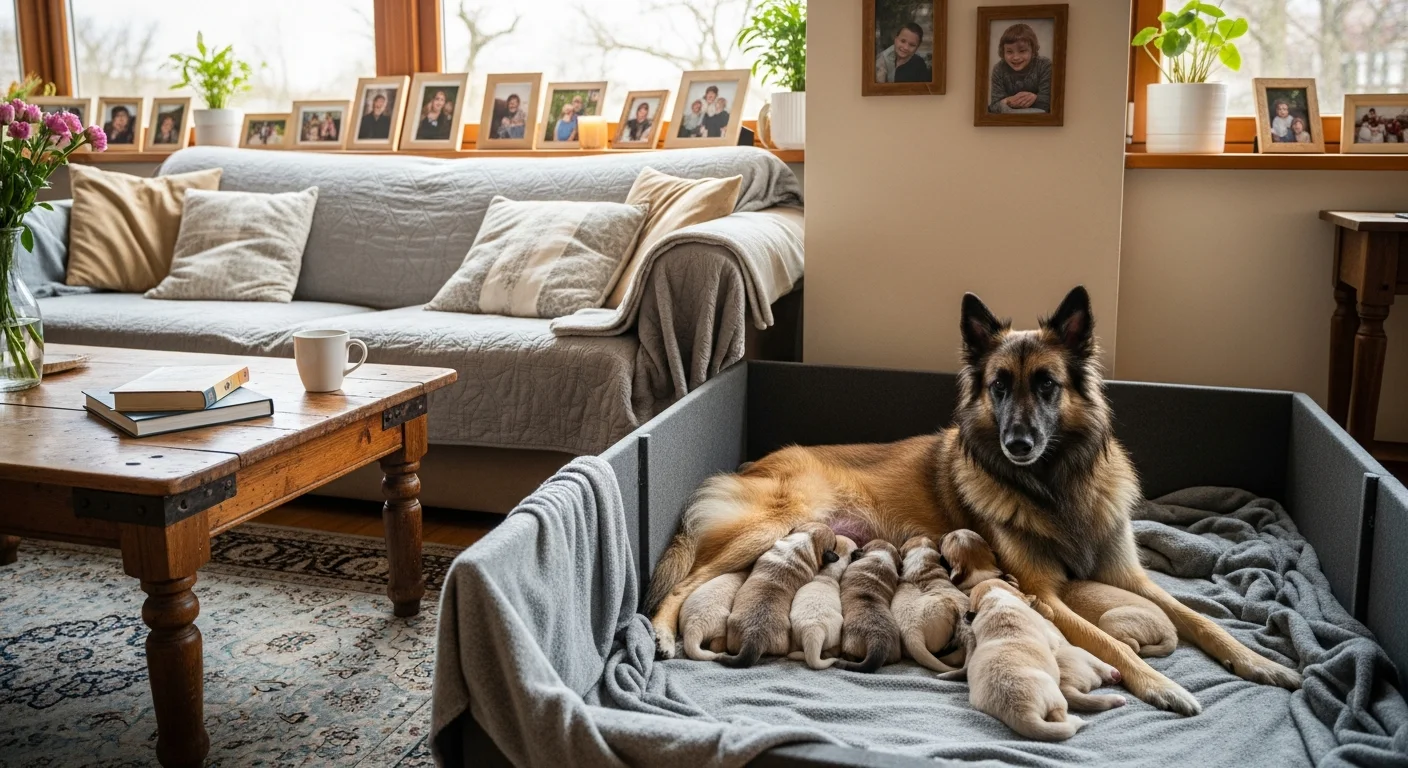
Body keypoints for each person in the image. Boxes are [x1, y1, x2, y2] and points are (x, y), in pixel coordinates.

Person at [988, 23, 1052, 113]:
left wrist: (1035, 98)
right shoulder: (999, 69)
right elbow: (994, 106)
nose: (1016, 57)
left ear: (1033, 51)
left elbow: (1047, 103)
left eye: (1022, 51)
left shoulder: (1045, 66)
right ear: (1003, 52)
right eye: (1009, 52)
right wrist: (1009, 100)